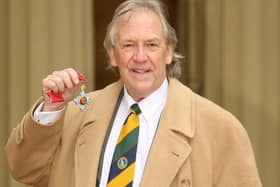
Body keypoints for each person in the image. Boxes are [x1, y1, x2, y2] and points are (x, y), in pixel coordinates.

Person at [5, 0, 262, 186]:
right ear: (112, 54)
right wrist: (51, 108)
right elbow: (24, 170)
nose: (140, 57)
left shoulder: (221, 128)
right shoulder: (79, 109)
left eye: (151, 44)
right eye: (129, 45)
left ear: (169, 51)